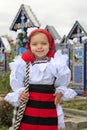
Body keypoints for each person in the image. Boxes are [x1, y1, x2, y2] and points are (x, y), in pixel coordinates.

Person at [5, 28, 77, 130]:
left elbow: (62, 81)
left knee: (48, 127)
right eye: (35, 44)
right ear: (29, 46)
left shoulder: (55, 62)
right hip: (29, 102)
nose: (39, 47)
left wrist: (60, 92)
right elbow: (17, 81)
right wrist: (20, 93)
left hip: (48, 103)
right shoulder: (23, 63)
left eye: (43, 43)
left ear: (50, 45)